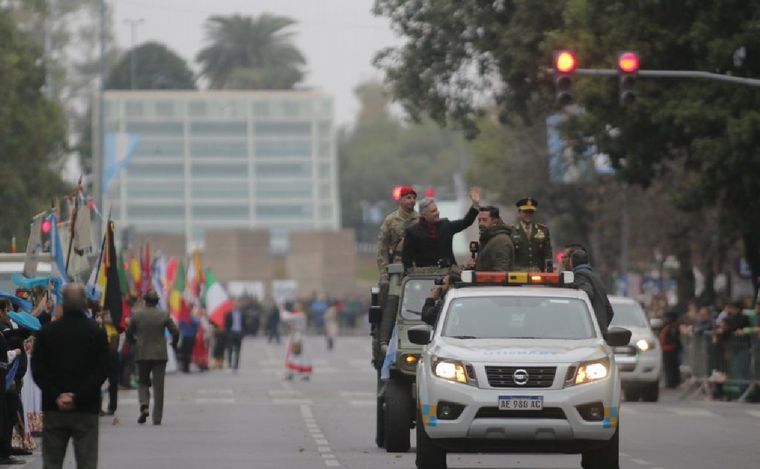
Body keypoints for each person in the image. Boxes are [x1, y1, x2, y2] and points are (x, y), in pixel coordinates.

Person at [31, 283, 109, 469]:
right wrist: (78, 396)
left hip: (54, 408)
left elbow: (38, 370)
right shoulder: (96, 332)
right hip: (86, 408)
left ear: (62, 304)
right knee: (87, 462)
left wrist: (57, 394)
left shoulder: (47, 333)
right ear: (85, 304)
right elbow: (102, 370)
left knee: (51, 462)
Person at [125, 290, 179, 425]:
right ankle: (157, 418)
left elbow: (128, 332)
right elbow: (175, 331)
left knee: (142, 382)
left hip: (142, 353)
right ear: (157, 302)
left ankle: (144, 405)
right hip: (160, 355)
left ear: (145, 301)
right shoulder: (163, 315)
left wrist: (133, 342)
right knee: (158, 387)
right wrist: (174, 343)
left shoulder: (137, 315)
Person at [402, 187, 480, 271]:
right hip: (426, 277)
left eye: (436, 210)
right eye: (433, 211)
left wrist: (475, 205)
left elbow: (466, 222)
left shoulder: (445, 225)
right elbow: (407, 259)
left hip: (450, 274)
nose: (437, 213)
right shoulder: (413, 232)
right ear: (424, 215)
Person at [566, 246, 614, 333]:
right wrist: (601, 328)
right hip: (598, 333)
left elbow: (587, 293)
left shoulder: (580, 275)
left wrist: (590, 325)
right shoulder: (595, 278)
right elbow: (609, 311)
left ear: (571, 263)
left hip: (585, 332)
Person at [377, 186, 419, 280]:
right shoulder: (390, 220)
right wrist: (384, 271)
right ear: (400, 200)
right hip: (397, 266)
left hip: (416, 266)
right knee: (391, 290)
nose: (412, 200)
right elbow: (382, 247)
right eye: (408, 197)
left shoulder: (420, 220)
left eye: (414, 198)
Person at [510, 197, 553, 272]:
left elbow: (547, 253)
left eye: (531, 212)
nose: (528, 214)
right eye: (525, 212)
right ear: (519, 213)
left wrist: (548, 270)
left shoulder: (543, 230)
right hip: (517, 272)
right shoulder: (511, 230)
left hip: (537, 272)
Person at [467, 206, 514, 272]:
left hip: (491, 282)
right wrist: (474, 266)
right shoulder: (488, 239)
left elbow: (501, 273)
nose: (481, 223)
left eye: (484, 220)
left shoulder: (501, 241)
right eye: (479, 220)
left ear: (495, 222)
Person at [659, 309, 682, 388]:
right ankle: (671, 382)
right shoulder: (669, 326)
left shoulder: (672, 327)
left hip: (670, 349)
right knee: (670, 366)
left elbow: (674, 338)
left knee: (671, 367)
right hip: (668, 349)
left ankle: (672, 382)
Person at [224, 302, 244, 371]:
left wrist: (243, 333)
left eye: (237, 305)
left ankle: (236, 365)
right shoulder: (229, 314)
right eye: (235, 305)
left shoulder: (241, 314)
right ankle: (229, 363)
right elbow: (226, 325)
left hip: (239, 333)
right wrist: (227, 333)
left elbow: (244, 324)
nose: (236, 306)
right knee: (230, 349)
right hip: (231, 333)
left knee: (238, 350)